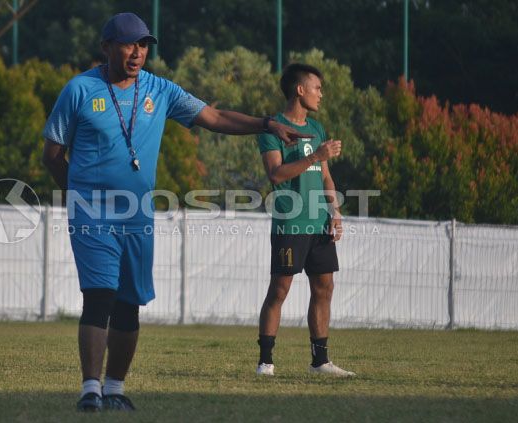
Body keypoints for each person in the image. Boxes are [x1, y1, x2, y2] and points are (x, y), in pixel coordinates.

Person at [42, 12, 306, 412]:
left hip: (137, 216)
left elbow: (214, 117)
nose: (137, 53)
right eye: (129, 44)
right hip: (91, 215)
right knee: (99, 296)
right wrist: (79, 195)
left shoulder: (159, 90)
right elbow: (53, 154)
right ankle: (90, 389)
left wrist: (266, 124)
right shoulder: (79, 90)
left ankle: (115, 387)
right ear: (107, 47)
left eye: (144, 45)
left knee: (129, 302)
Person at [255, 63, 354, 378]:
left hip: (319, 224)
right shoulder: (274, 128)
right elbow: (276, 174)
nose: (321, 94)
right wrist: (314, 156)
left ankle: (320, 362)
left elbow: (326, 176)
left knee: (325, 287)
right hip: (291, 223)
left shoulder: (318, 127)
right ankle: (266, 362)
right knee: (280, 289)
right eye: (317, 88)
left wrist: (334, 211)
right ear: (300, 90)